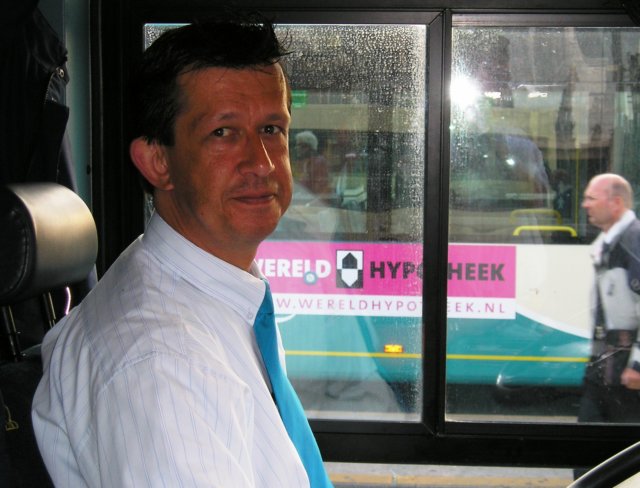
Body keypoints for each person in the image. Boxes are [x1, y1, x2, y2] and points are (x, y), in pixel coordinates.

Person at [31, 15, 332, 487]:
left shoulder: (205, 289)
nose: (262, 163)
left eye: (272, 129)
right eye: (223, 133)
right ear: (158, 161)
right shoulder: (162, 366)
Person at [579, 173, 640, 424]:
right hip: (605, 367)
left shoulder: (633, 241)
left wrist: (638, 365)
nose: (585, 204)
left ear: (615, 203)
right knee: (590, 436)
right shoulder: (608, 242)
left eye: (591, 198)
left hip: (625, 369)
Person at [293, 130, 330, 198]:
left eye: (300, 146)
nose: (297, 149)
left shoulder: (319, 163)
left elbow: (320, 190)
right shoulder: (307, 163)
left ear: (309, 147)